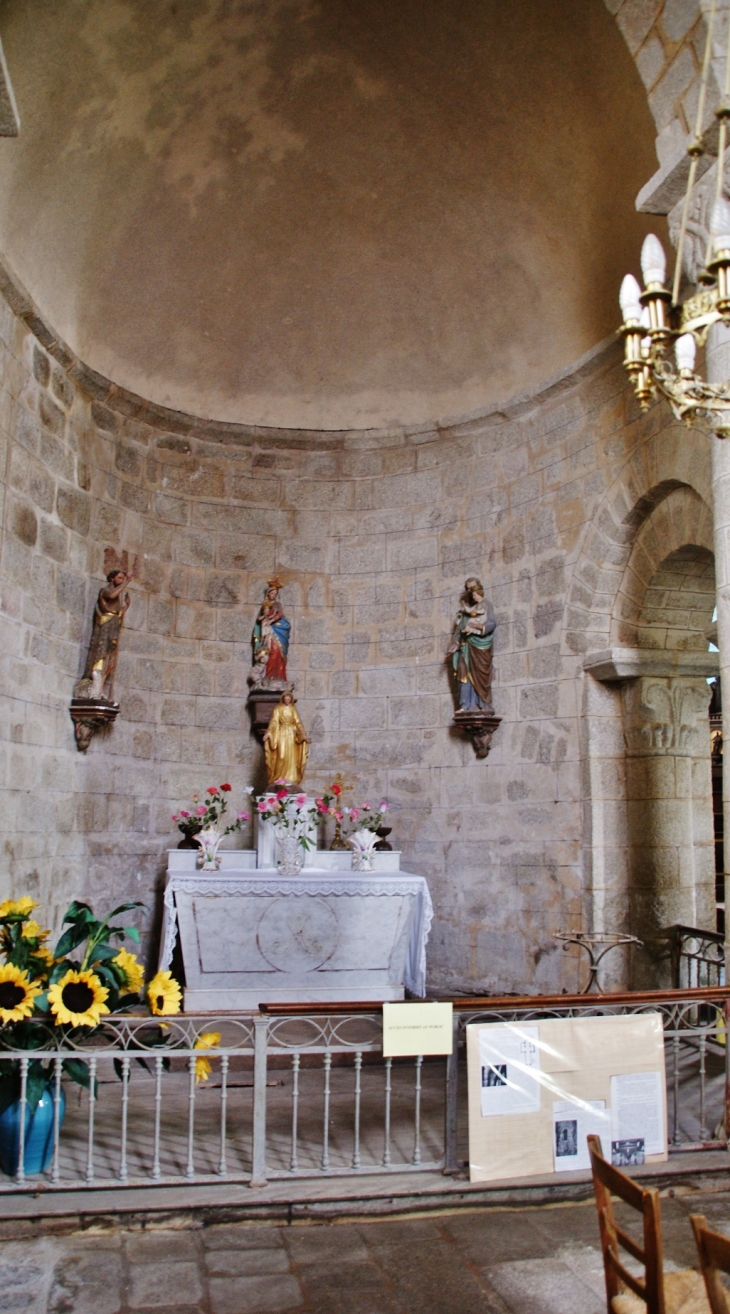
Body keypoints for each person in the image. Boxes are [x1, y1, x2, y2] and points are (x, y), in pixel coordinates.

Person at [74, 568, 132, 702]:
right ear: (112, 578)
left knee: (109, 662)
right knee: (99, 657)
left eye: (123, 579)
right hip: (103, 631)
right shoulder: (105, 591)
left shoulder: (117, 598)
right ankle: (93, 690)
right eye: (119, 578)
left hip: (112, 629)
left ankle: (98, 691)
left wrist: (126, 607)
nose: (121, 581)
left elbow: (116, 614)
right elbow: (110, 596)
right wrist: (126, 583)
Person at [447, 577, 496, 713]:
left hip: (480, 648)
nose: (471, 592)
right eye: (468, 590)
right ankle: (466, 705)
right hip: (465, 647)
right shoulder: (465, 613)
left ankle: (482, 704)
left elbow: (492, 623)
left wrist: (481, 627)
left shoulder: (486, 605)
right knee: (463, 672)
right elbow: (459, 631)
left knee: (480, 675)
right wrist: (455, 643)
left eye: (473, 588)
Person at [263, 691, 310, 786]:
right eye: (286, 698)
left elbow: (298, 723)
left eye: (289, 699)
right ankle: (279, 778)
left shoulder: (293, 709)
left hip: (292, 734)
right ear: (283, 699)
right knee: (281, 755)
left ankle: (291, 778)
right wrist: (268, 733)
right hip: (281, 733)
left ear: (291, 699)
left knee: (291, 756)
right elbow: (274, 722)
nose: (287, 700)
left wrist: (304, 736)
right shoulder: (278, 708)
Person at [251, 579, 290, 687]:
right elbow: (260, 621)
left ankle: (278, 677)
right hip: (267, 633)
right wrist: (265, 620)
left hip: (277, 631)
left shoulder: (277, 604)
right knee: (268, 652)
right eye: (271, 593)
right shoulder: (265, 606)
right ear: (268, 593)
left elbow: (280, 615)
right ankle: (266, 676)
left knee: (277, 652)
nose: (273, 595)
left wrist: (271, 621)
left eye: (275, 593)